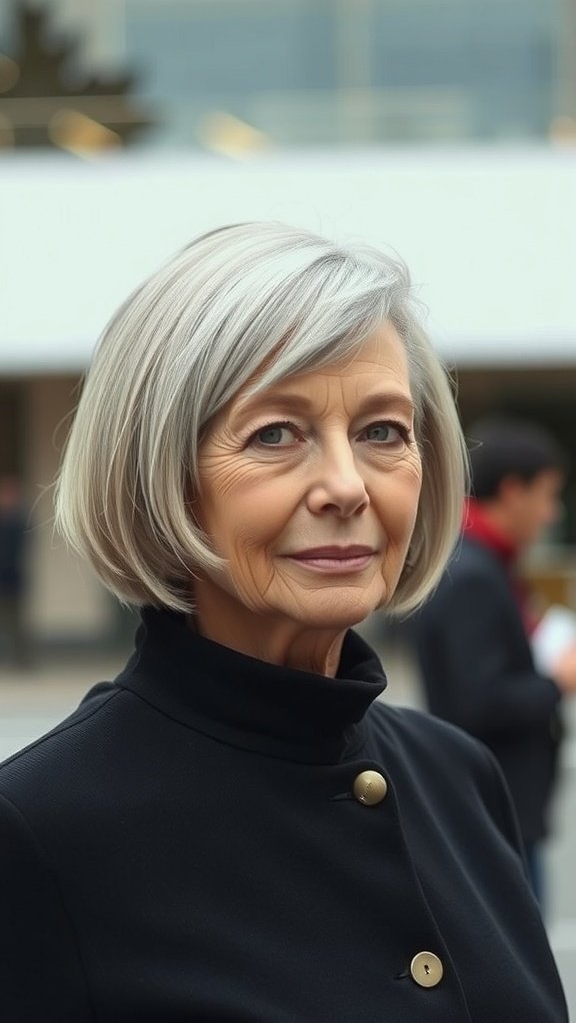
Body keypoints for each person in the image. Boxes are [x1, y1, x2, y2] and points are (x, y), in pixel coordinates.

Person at [0, 224, 567, 1020]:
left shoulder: (459, 776)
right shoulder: (39, 831)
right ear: (161, 473)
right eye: (275, 434)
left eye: (381, 432)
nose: (347, 486)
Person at [411, 417, 576, 905]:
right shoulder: (475, 573)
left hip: (492, 802)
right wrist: (557, 681)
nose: (551, 513)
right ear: (512, 491)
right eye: (546, 496)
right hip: (494, 804)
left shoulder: (473, 558)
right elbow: (478, 700)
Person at [0, 474, 29, 668]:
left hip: (13, 578)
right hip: (4, 577)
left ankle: (20, 658)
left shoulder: (19, 521)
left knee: (16, 620)